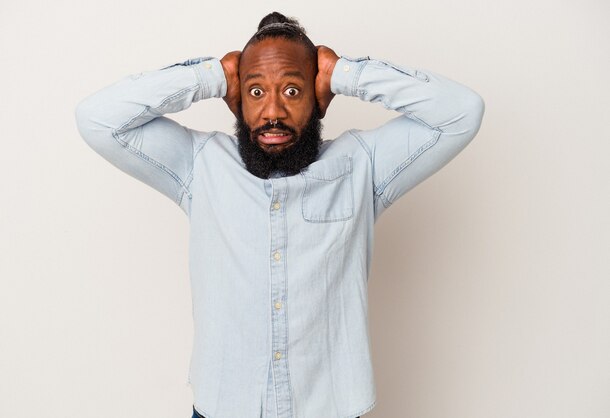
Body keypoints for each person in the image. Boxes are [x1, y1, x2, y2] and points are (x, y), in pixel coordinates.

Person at [75, 11, 485, 418]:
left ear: (318, 98)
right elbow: (98, 120)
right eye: (255, 92)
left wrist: (343, 72)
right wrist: (213, 75)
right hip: (225, 408)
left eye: (292, 91)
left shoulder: (363, 165)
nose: (272, 112)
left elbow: (462, 112)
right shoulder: (200, 166)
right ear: (237, 99)